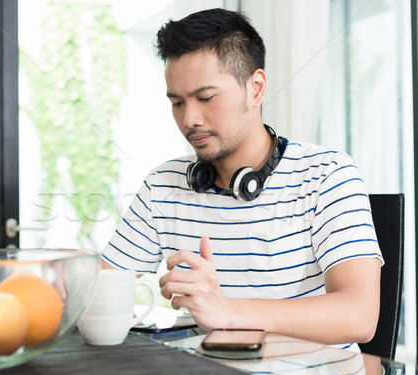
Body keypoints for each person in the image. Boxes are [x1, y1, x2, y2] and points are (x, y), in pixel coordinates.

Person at [101, 8, 382, 347]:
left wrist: (228, 312)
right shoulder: (163, 184)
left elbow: (360, 315)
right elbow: (101, 288)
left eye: (206, 98)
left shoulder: (327, 175)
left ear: (256, 89)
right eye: (177, 102)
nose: (189, 119)